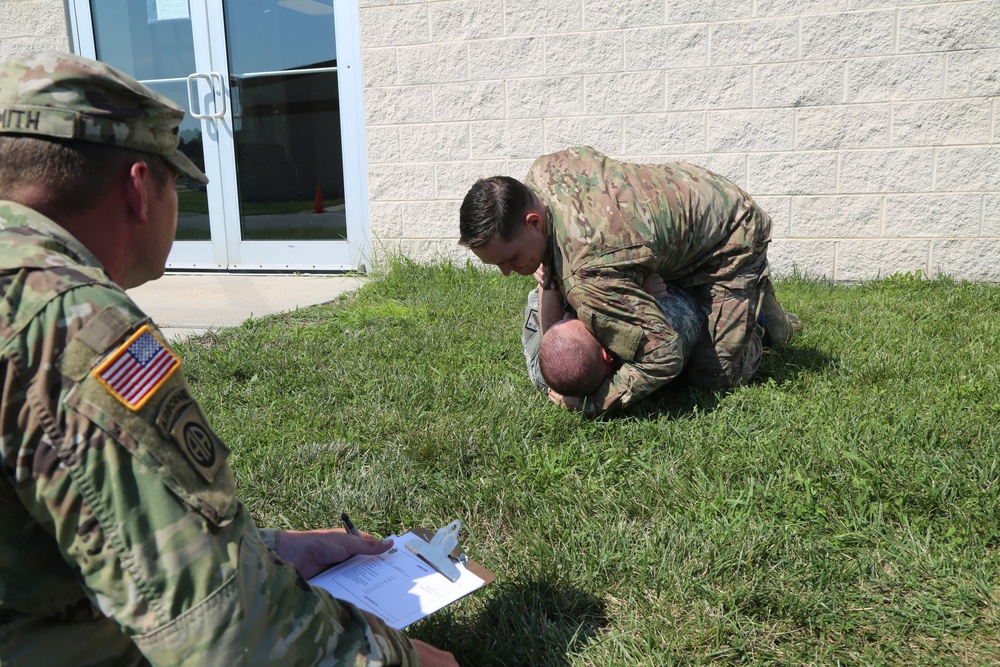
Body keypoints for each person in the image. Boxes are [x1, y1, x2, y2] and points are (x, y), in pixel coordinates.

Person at [0, 51, 456, 666]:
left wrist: (268, 550)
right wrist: (406, 660)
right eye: (177, 181)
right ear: (139, 187)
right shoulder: (70, 323)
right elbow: (221, 635)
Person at [460, 145, 800, 416]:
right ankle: (749, 294)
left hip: (729, 235)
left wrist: (591, 402)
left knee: (715, 376)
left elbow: (662, 354)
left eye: (510, 259)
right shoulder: (540, 173)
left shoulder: (586, 272)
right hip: (693, 198)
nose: (507, 272)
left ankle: (758, 317)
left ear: (533, 222)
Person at [523, 269, 704, 410]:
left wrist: (546, 278)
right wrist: (638, 291)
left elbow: (551, 329)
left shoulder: (545, 374)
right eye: (579, 321)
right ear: (607, 353)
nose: (568, 315)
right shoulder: (654, 342)